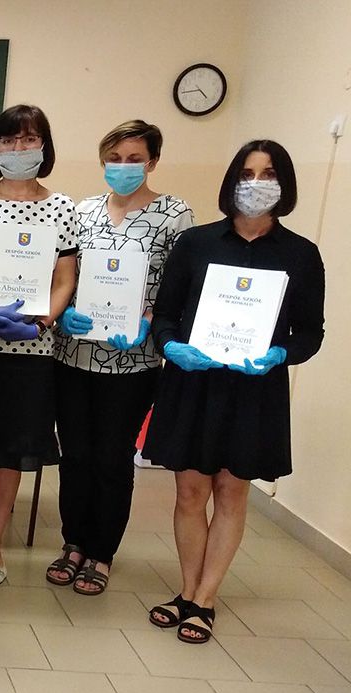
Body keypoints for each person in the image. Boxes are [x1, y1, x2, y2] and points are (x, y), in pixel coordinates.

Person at [142, 140, 324, 644]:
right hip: (194, 382)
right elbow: (165, 314)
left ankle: (205, 599)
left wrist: (280, 354)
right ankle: (185, 590)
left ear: (284, 185)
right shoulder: (195, 243)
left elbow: (311, 333)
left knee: (231, 490)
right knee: (189, 492)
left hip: (253, 391)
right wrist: (171, 346)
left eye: (268, 174)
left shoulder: (301, 255)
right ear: (231, 180)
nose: (256, 183)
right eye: (247, 173)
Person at [47, 120, 194, 595]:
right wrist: (65, 312)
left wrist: (149, 320)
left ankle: (101, 552)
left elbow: (179, 288)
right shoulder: (82, 211)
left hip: (132, 363)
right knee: (75, 455)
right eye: (114, 158)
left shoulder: (174, 215)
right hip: (74, 356)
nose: (123, 167)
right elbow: (65, 276)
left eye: (134, 159)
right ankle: (73, 543)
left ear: (153, 162)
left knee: (112, 458)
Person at [0, 104, 79, 586]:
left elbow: (65, 279)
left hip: (31, 353)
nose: (19, 148)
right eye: (9, 140)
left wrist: (43, 322)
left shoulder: (63, 208)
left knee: (10, 455)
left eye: (29, 140)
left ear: (44, 146)